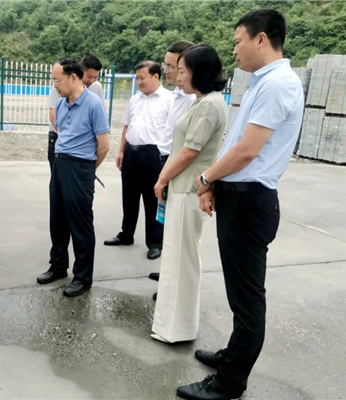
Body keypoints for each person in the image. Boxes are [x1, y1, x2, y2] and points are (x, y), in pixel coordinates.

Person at [176, 9, 305, 400]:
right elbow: (236, 144)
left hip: (250, 203)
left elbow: (248, 151)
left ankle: (230, 382)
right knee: (239, 293)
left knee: (247, 298)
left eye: (238, 41)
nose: (233, 50)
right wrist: (215, 183)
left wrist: (205, 178)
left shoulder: (278, 84)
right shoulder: (263, 82)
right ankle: (233, 355)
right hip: (240, 197)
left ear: (261, 39)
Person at [150, 44, 228, 344]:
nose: (178, 76)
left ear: (200, 72)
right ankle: (170, 326)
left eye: (183, 71)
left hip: (187, 189)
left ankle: (178, 329)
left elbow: (188, 152)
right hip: (182, 187)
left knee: (183, 259)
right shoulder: (202, 102)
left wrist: (162, 179)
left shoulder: (209, 105)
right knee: (176, 257)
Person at [36, 57, 110, 297]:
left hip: (80, 167)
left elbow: (104, 146)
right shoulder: (61, 104)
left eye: (57, 80)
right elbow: (62, 132)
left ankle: (82, 277)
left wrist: (88, 170)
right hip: (59, 163)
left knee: (80, 224)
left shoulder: (94, 105)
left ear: (74, 77)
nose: (55, 85)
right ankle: (58, 265)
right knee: (57, 220)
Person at [103, 61, 174, 260]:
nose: (139, 82)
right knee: (129, 196)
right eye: (137, 78)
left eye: (142, 78)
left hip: (154, 155)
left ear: (156, 76)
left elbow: (173, 131)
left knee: (153, 199)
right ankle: (126, 234)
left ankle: (155, 242)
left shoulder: (169, 100)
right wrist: (121, 151)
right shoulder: (135, 99)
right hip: (132, 153)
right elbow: (127, 126)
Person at [147, 40, 197, 285]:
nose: (165, 70)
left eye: (171, 66)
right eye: (165, 65)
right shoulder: (177, 95)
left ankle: (174, 280)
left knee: (177, 226)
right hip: (165, 159)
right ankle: (168, 271)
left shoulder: (192, 99)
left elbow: (189, 146)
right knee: (166, 220)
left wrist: (166, 174)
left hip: (176, 164)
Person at [48, 55, 104, 170]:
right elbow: (53, 114)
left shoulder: (95, 91)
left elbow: (100, 123)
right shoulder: (60, 87)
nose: (92, 81)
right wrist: (68, 139)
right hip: (59, 138)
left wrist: (88, 169)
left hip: (82, 150)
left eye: (95, 77)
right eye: (89, 76)